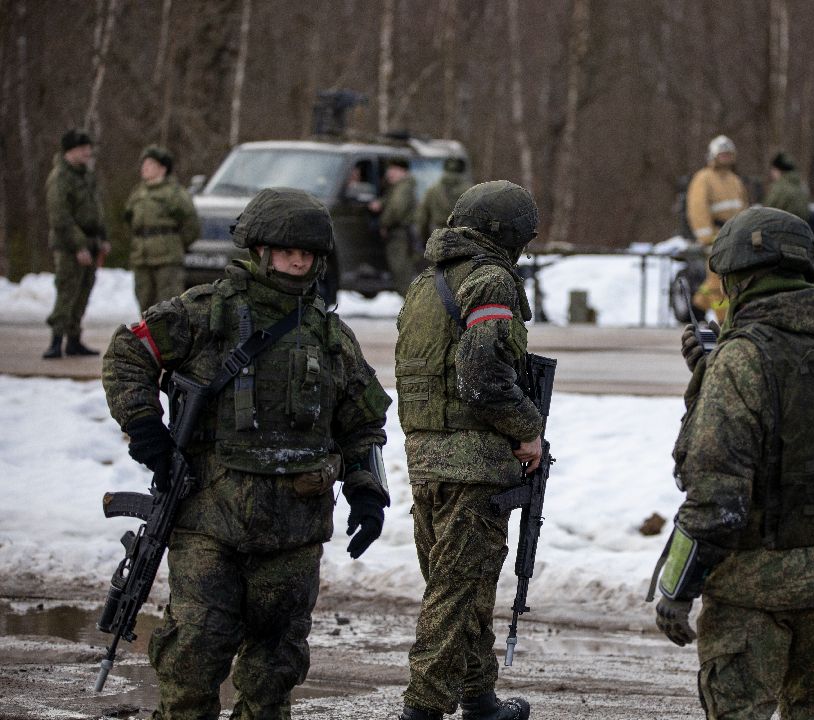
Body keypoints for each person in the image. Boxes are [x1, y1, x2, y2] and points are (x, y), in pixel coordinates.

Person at [101, 187, 392, 719]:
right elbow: (128, 353)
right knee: (193, 658)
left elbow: (363, 423)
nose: (298, 261)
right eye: (287, 251)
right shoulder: (208, 312)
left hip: (295, 533)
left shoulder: (331, 336)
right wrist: (146, 428)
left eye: (307, 253)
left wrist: (367, 492)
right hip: (210, 522)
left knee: (274, 672)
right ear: (259, 250)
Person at [654, 206, 814, 719]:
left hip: (755, 584)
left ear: (738, 278)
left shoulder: (742, 359)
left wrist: (676, 589)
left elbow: (716, 495)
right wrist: (715, 370)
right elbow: (805, 418)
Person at [395, 180, 542, 720]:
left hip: (427, 459)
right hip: (474, 465)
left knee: (462, 586)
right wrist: (527, 429)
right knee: (455, 598)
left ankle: (479, 698)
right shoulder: (491, 281)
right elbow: (482, 375)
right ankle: (422, 710)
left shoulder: (425, 285)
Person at [43, 128, 111, 358]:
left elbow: (95, 210)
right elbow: (60, 217)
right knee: (67, 292)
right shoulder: (60, 177)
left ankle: (73, 340)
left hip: (91, 242)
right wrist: (79, 245)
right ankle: (56, 341)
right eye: (82, 149)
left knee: (83, 293)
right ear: (69, 152)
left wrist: (103, 237)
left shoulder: (85, 175)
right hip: (69, 246)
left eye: (88, 148)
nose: (87, 152)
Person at [123, 145, 199, 312]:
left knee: (168, 306)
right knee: (144, 304)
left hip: (167, 259)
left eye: (150, 164)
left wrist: (175, 244)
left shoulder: (174, 193)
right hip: (142, 258)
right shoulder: (138, 192)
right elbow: (130, 222)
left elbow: (191, 225)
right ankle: (148, 337)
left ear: (163, 168)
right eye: (144, 164)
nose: (145, 168)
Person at [684, 134, 749, 320]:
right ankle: (724, 319)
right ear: (713, 156)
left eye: (729, 154)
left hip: (734, 236)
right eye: (722, 154)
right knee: (718, 280)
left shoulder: (735, 180)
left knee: (727, 278)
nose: (726, 158)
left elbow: (743, 206)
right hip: (716, 236)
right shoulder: (703, 179)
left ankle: (697, 307)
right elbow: (698, 208)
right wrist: (707, 236)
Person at [369, 156, 418, 296]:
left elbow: (397, 208)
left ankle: (411, 305)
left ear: (402, 171)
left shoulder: (403, 187)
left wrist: (383, 223)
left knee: (401, 272)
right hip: (400, 233)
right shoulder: (400, 187)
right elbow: (392, 201)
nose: (389, 174)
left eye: (393, 170)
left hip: (399, 234)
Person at [415, 157, 471, 241]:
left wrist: (424, 240)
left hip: (438, 236)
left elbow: (422, 219)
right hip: (462, 238)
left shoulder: (433, 190)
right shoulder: (470, 191)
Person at [762, 151, 810, 221]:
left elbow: (767, 212)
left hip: (781, 228)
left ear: (778, 170)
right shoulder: (801, 186)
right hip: (800, 229)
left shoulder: (779, 188)